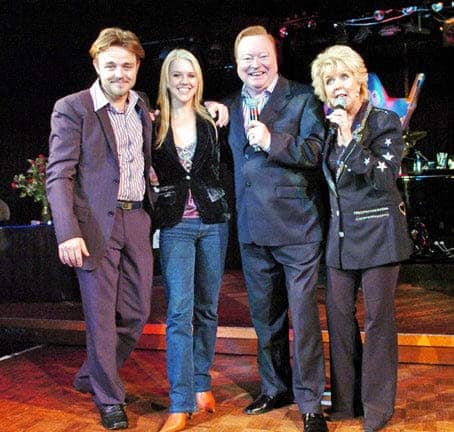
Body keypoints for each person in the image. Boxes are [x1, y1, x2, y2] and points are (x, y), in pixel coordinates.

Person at [46, 27, 154, 430]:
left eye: (126, 65)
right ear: (96, 65)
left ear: (137, 66)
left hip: (137, 218)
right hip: (93, 227)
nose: (119, 73)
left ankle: (91, 376)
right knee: (101, 318)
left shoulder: (142, 105)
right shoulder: (72, 108)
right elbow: (59, 174)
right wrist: (67, 231)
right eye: (110, 65)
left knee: (137, 312)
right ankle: (109, 399)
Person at [222, 25, 328, 432]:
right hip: (252, 230)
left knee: (303, 318)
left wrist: (272, 141)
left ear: (276, 57)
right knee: (265, 319)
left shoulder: (302, 98)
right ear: (236, 64)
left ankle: (310, 403)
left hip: (298, 229)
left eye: (262, 55)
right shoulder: (231, 105)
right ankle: (275, 388)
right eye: (247, 58)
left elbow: (316, 151)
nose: (256, 64)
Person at [310, 45, 413, 432]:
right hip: (341, 238)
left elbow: (384, 178)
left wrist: (349, 138)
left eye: (344, 76)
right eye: (329, 80)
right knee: (338, 318)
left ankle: (377, 407)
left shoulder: (384, 121)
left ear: (359, 80)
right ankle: (346, 402)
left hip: (379, 235)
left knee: (377, 321)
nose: (337, 85)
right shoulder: (328, 127)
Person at [152, 48, 230, 432]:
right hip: (175, 227)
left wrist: (222, 107)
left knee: (208, 310)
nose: (185, 82)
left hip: (213, 222)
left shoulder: (211, 119)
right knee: (179, 314)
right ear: (167, 79)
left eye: (191, 75)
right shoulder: (153, 123)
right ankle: (179, 402)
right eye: (178, 75)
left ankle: (202, 384)